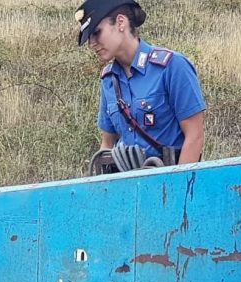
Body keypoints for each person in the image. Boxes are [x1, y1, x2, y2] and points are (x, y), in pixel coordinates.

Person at [75, 0, 206, 171]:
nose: (92, 44)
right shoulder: (109, 79)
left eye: (96, 33)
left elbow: (195, 136)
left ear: (121, 22)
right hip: (125, 187)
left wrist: (178, 189)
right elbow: (107, 144)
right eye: (89, 38)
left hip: (168, 180)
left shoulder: (172, 67)